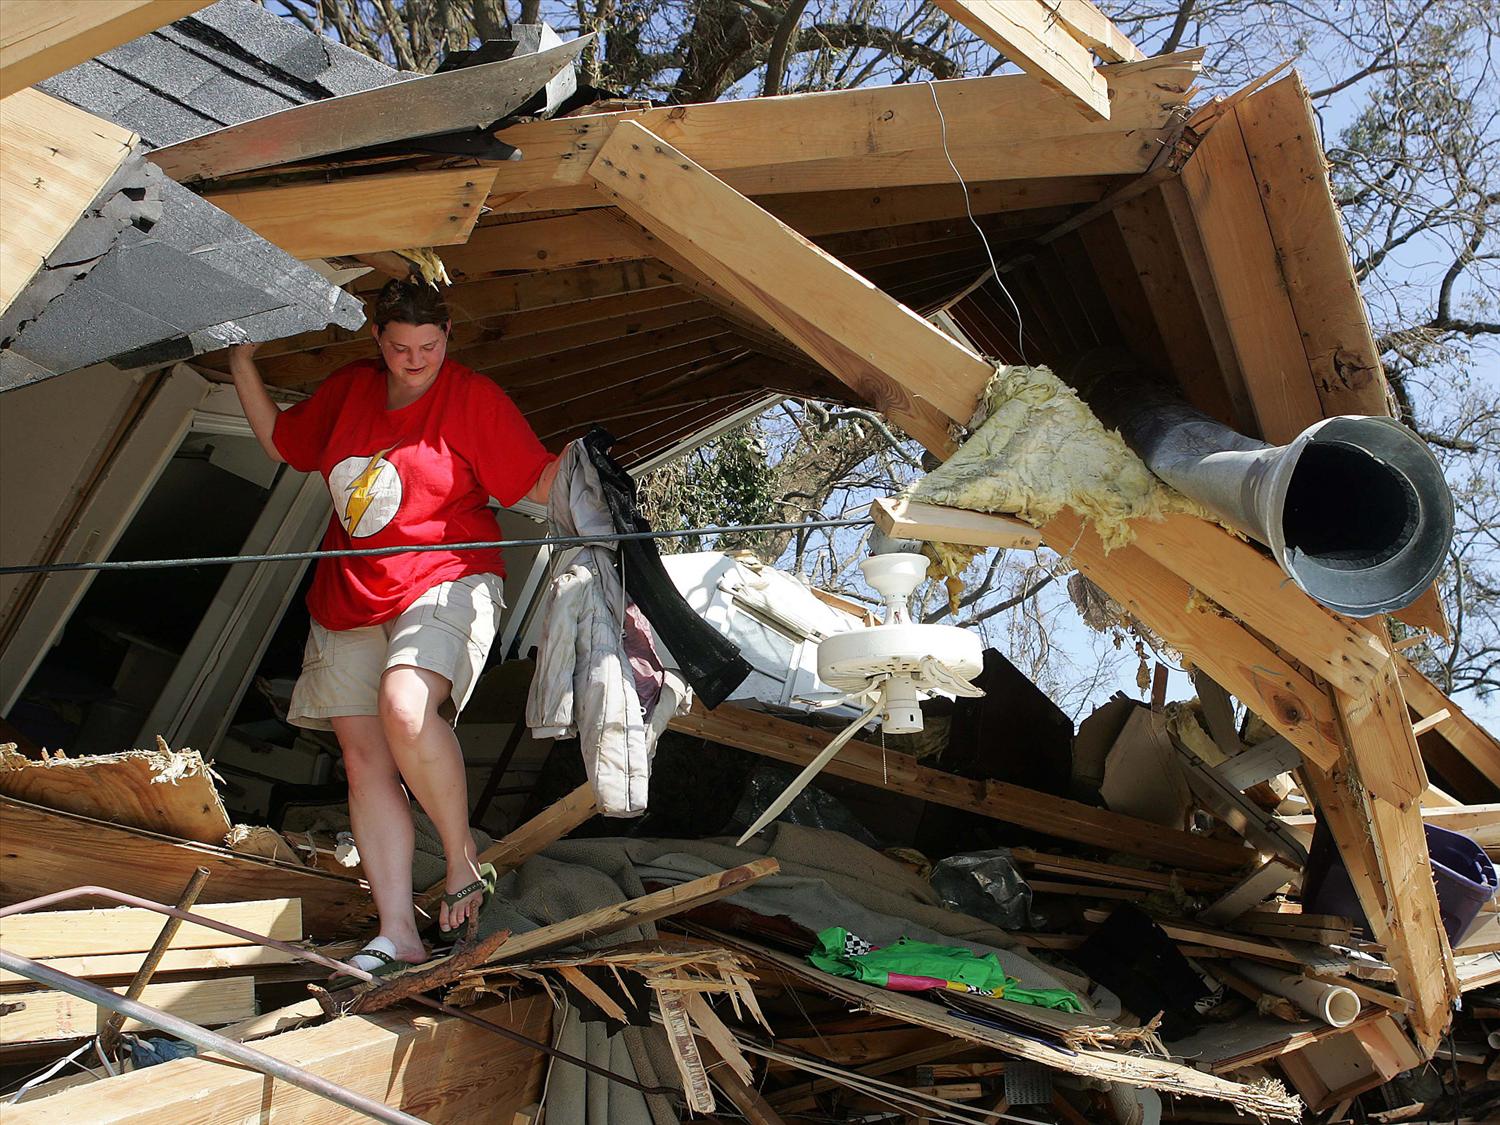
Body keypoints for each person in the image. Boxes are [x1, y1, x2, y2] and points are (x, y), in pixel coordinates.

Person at [228, 280, 558, 973]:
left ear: (448, 339)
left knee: (406, 704)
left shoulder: (471, 398)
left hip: (448, 575)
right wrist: (241, 364)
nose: (415, 360)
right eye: (401, 347)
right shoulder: (351, 389)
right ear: (378, 340)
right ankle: (397, 932)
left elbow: (538, 481)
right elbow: (285, 443)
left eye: (430, 347)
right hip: (347, 593)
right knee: (363, 760)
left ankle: (464, 857)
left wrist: (595, 485)